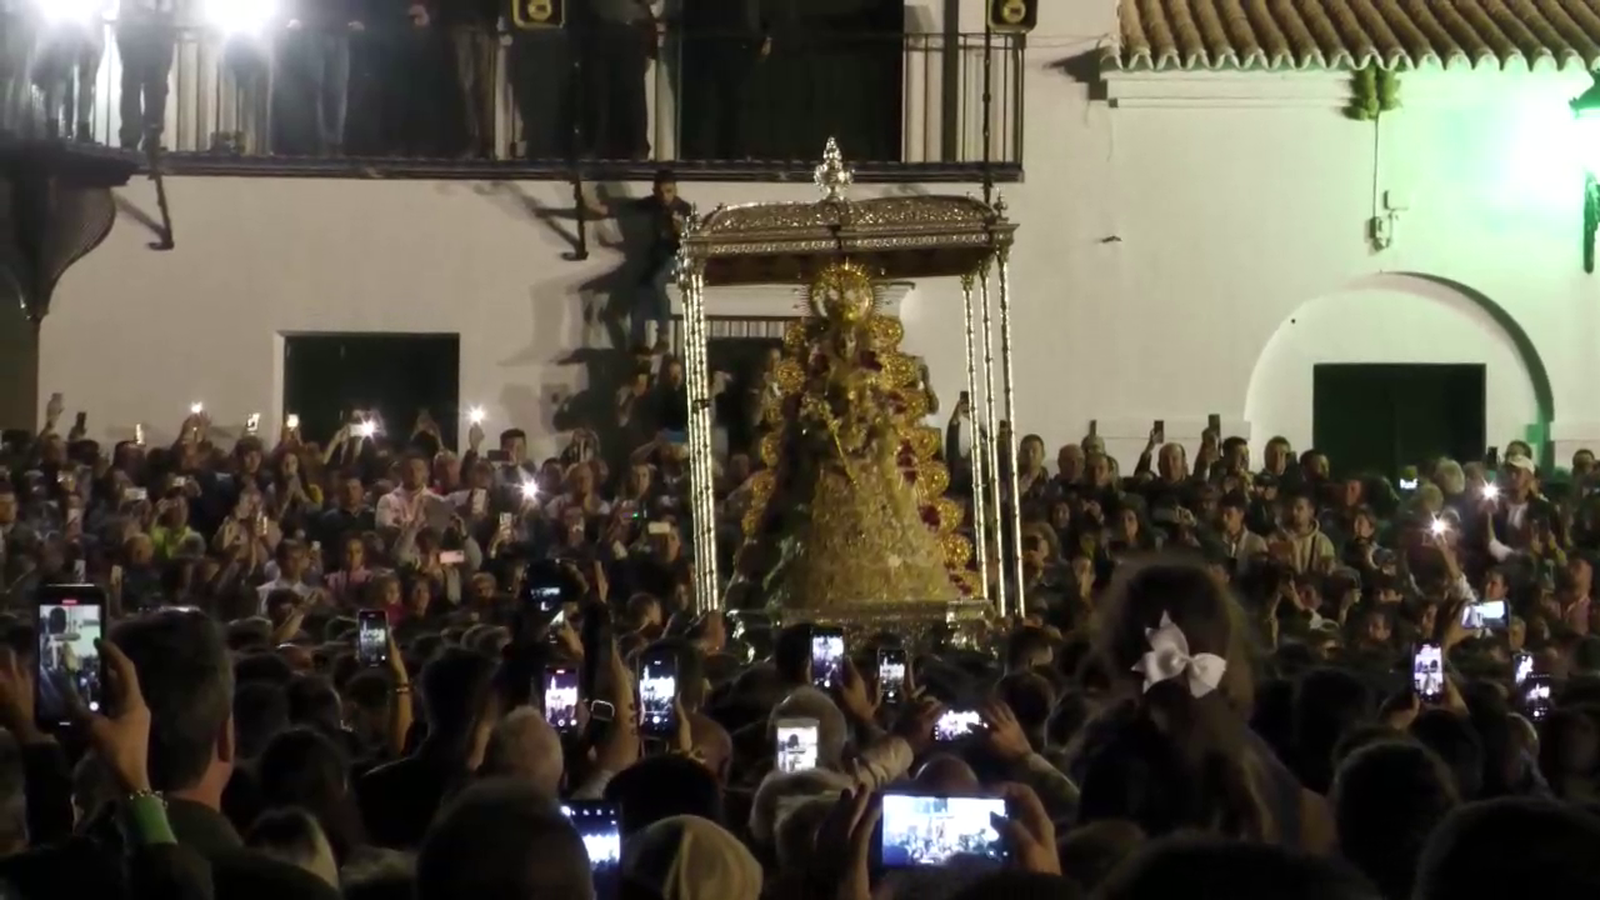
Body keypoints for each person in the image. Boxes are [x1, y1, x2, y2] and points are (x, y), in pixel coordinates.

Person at [116, 0, 178, 151]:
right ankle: (132, 138)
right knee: (133, 85)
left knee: (157, 87)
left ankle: (151, 137)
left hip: (160, 31)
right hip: (136, 31)